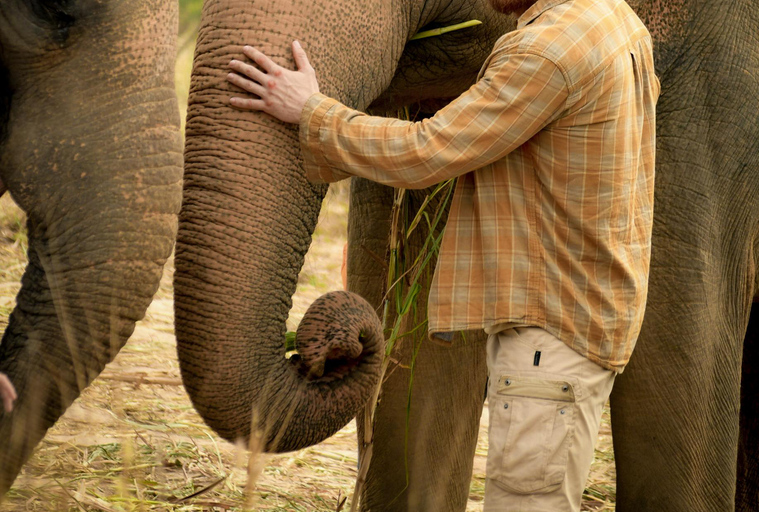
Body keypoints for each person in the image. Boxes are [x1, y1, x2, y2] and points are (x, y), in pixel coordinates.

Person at [225, 0, 659, 508]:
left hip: (550, 334)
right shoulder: (613, 19)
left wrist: (311, 112)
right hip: (575, 317)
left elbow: (425, 152)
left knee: (527, 500)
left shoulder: (547, 50)